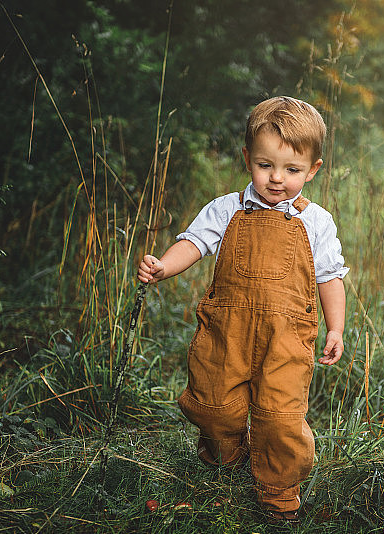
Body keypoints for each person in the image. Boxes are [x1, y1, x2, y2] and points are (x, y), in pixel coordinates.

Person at [137, 96, 348, 522]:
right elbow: (193, 243)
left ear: (313, 169)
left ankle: (278, 488)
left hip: (287, 339)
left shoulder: (316, 222)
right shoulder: (226, 208)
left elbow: (330, 277)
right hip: (226, 331)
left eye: (292, 170)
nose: (276, 179)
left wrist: (335, 328)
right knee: (212, 404)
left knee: (280, 417)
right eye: (265, 165)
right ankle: (227, 455)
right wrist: (163, 266)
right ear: (247, 158)